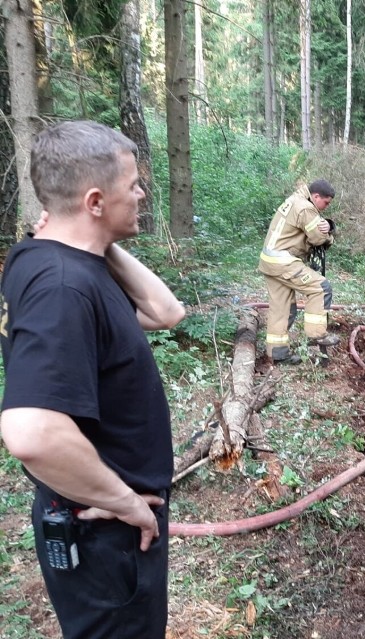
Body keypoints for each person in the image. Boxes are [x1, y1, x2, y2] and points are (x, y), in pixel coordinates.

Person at [0, 120, 186, 639]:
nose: (143, 194)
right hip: (107, 534)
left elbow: (166, 311)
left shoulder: (62, 259)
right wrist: (127, 503)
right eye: (134, 185)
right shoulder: (63, 286)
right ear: (96, 199)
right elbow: (30, 432)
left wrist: (98, 237)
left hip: (113, 531)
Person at [259, 179, 339, 363]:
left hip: (269, 260)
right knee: (320, 287)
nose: (325, 207)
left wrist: (326, 225)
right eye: (325, 203)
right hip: (283, 261)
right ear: (316, 196)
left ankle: (277, 355)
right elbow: (318, 238)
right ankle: (317, 334)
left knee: (282, 308)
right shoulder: (305, 207)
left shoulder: (294, 200)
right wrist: (329, 233)